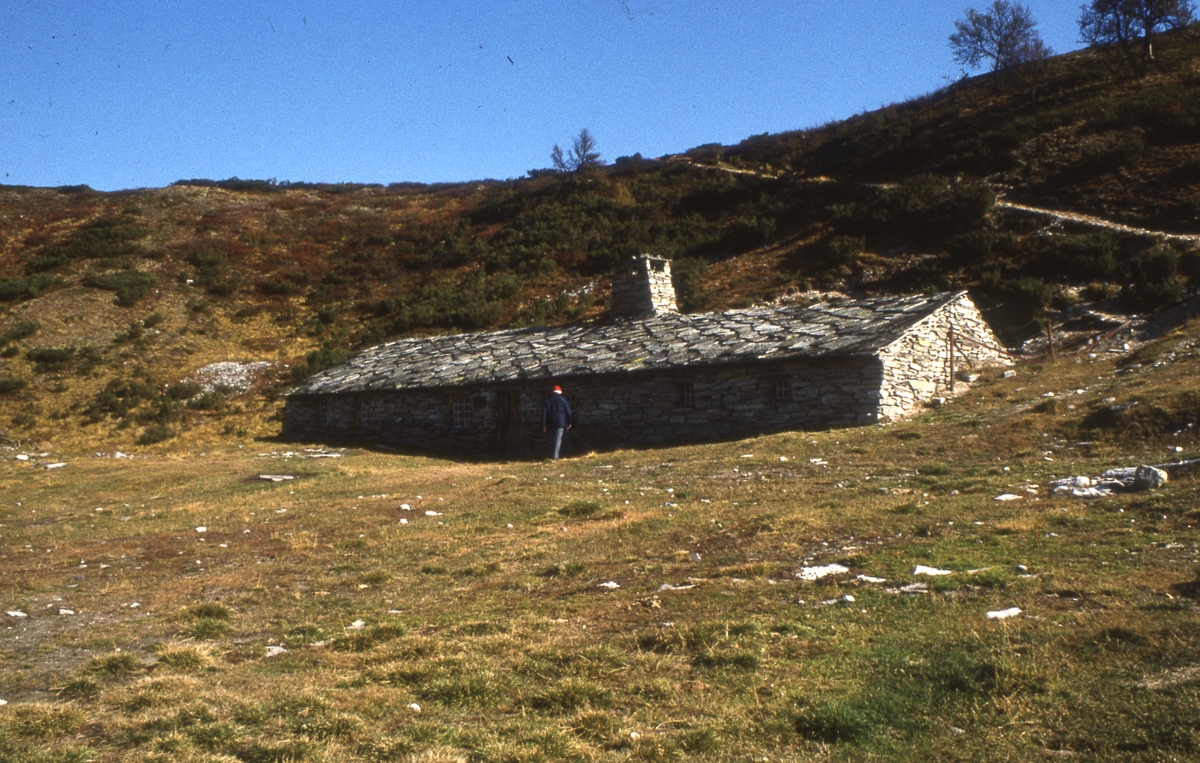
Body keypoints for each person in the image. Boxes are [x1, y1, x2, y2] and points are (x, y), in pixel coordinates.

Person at [541, 385, 573, 460]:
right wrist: (569, 422)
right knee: (558, 439)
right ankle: (555, 456)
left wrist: (544, 425)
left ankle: (550, 454)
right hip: (560, 421)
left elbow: (544, 414)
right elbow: (568, 412)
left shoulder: (547, 400)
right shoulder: (563, 399)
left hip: (550, 422)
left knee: (552, 438)